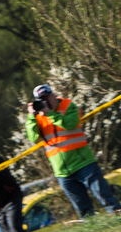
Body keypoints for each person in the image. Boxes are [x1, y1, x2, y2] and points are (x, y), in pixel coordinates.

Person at [26, 83, 121, 219]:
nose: (45, 102)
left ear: (53, 96)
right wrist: (31, 117)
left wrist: (51, 114)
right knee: (83, 210)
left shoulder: (67, 106)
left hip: (84, 163)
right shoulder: (37, 117)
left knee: (106, 198)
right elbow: (33, 137)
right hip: (62, 172)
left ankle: (117, 219)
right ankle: (92, 229)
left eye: (47, 97)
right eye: (41, 99)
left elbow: (70, 124)